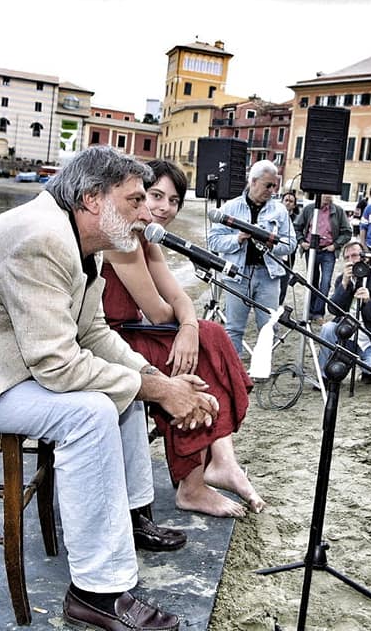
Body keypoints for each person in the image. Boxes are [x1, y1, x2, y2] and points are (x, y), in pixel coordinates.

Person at [0, 147, 222, 631]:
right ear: (91, 198)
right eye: (136, 200)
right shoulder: (40, 239)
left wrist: (157, 379)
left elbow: (94, 336)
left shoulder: (79, 244)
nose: (148, 213)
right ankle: (96, 594)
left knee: (122, 391)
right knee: (93, 411)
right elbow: (58, 365)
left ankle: (130, 514)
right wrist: (158, 391)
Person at [102, 159, 262, 518]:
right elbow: (159, 311)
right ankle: (193, 486)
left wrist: (189, 327)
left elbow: (179, 299)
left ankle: (221, 461)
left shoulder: (145, 236)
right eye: (154, 196)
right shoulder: (122, 238)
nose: (163, 208)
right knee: (202, 350)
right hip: (109, 341)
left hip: (134, 332)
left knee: (210, 334)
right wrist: (187, 326)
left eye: (173, 201)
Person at [207, 160, 297, 356]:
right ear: (253, 182)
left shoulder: (280, 210)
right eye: (268, 185)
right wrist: (238, 239)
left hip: (269, 276)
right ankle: (235, 377)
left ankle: (262, 371)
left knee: (269, 327)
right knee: (233, 328)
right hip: (236, 275)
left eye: (275, 185)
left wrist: (271, 244)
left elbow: (291, 244)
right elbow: (213, 242)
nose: (272, 190)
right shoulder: (230, 208)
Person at [318, 240, 371, 382]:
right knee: (327, 328)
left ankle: (367, 371)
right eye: (347, 258)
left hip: (370, 340)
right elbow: (333, 309)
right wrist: (344, 286)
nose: (350, 261)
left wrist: (368, 302)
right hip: (345, 336)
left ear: (364, 258)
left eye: (354, 256)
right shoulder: (342, 279)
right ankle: (324, 376)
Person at [294, 193, 353, 320]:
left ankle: (318, 312)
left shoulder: (337, 211)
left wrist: (335, 245)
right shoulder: (309, 209)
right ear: (318, 194)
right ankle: (309, 311)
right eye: (325, 194)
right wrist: (301, 242)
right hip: (311, 250)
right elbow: (297, 227)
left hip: (328, 251)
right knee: (312, 281)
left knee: (325, 283)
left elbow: (347, 232)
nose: (328, 196)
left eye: (330, 194)